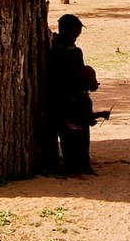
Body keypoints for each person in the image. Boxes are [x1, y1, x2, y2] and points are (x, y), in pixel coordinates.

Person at [45, 13, 108, 175]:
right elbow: (58, 78)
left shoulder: (76, 52)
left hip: (79, 97)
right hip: (64, 99)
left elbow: (80, 71)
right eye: (74, 33)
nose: (76, 37)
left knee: (83, 135)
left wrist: (87, 82)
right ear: (65, 31)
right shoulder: (56, 52)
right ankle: (71, 165)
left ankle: (84, 164)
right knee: (69, 135)